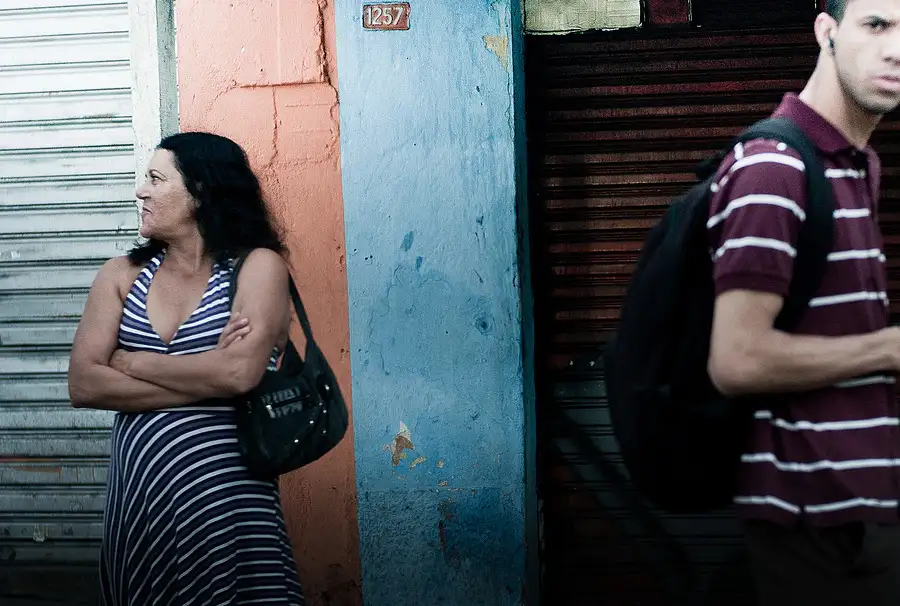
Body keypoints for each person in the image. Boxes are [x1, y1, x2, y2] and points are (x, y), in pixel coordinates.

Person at [705, 0, 900, 603]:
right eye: (877, 24)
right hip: (814, 522)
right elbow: (736, 360)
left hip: (864, 511)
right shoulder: (775, 168)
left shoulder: (857, 166)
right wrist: (889, 349)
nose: (896, 50)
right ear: (827, 31)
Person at [68, 132, 304, 605]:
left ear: (201, 191)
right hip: (143, 497)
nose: (141, 191)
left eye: (156, 179)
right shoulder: (120, 274)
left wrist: (134, 362)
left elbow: (240, 374)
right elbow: (85, 383)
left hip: (228, 495)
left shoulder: (257, 267)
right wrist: (211, 375)